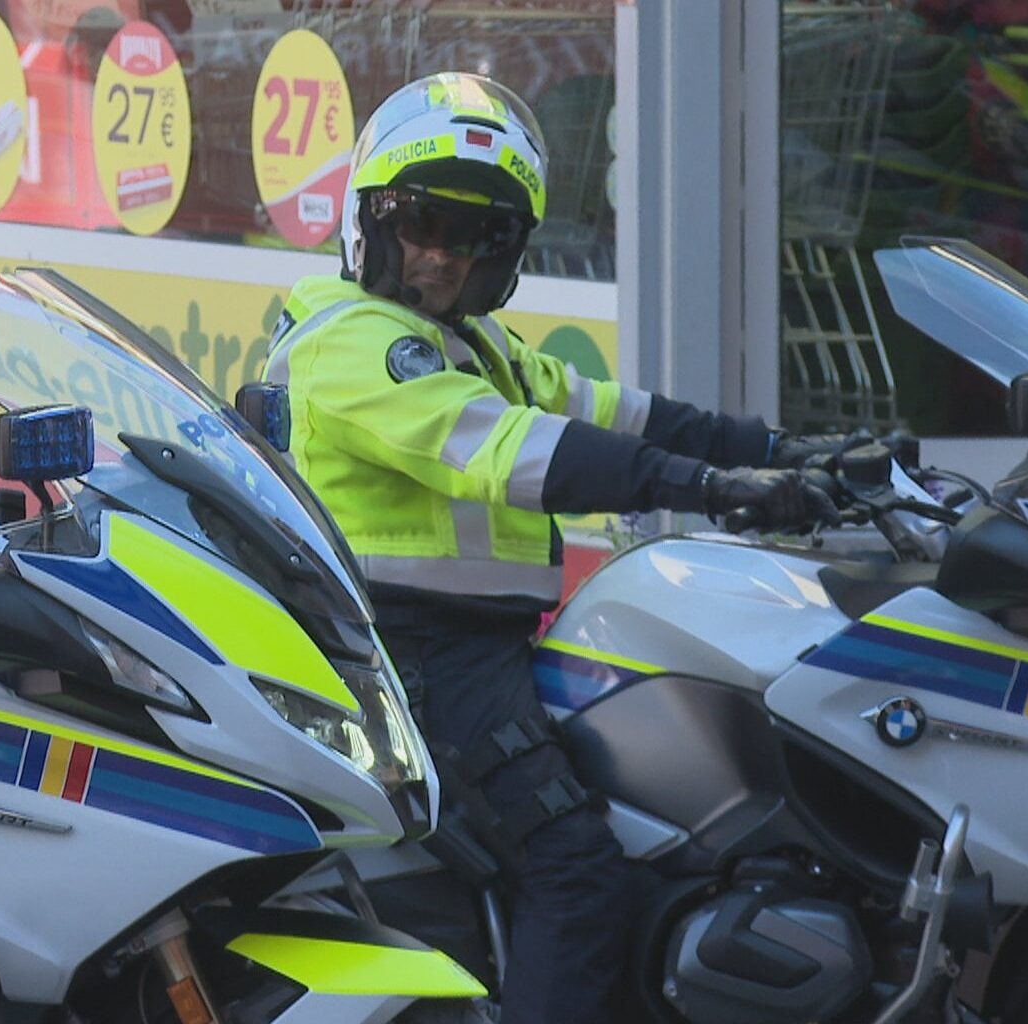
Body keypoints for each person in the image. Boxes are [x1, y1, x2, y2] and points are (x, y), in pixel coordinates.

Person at [264, 72, 841, 1024]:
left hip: (478, 647)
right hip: (411, 657)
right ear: (371, 216)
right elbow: (504, 449)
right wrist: (702, 489)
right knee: (577, 871)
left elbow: (609, 409)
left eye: (477, 237)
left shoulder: (469, 341)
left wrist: (781, 452)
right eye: (421, 223)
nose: (442, 258)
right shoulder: (348, 341)